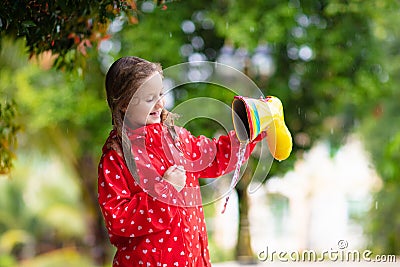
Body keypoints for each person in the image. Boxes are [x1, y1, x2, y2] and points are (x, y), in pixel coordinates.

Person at [98, 56, 266, 267]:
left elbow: (215, 156)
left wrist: (251, 130)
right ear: (124, 104)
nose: (160, 103)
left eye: (160, 94)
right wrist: (165, 190)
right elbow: (118, 220)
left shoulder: (178, 138)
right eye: (149, 98)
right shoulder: (116, 157)